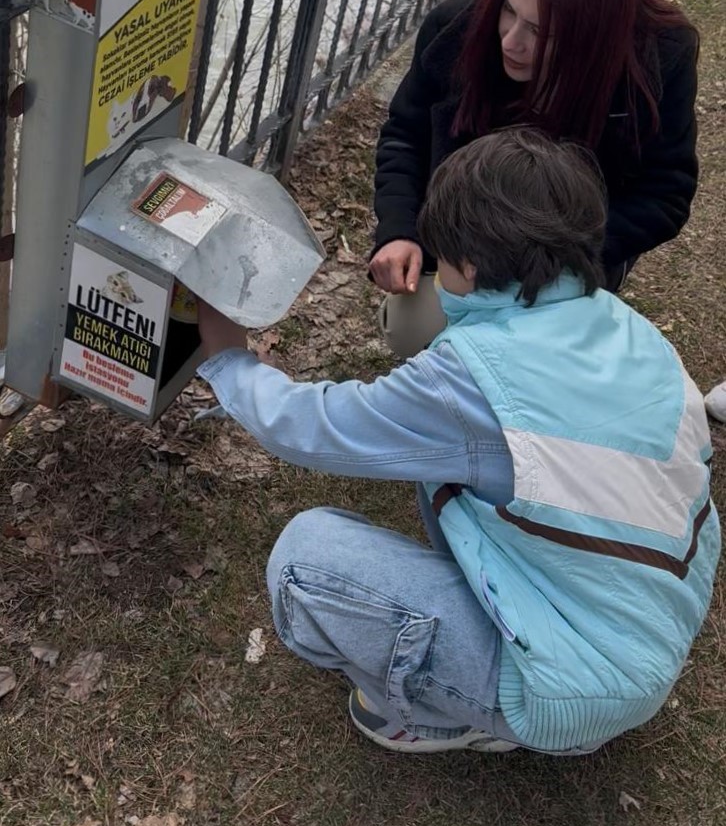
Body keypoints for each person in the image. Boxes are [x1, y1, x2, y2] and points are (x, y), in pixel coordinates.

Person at [196, 127, 719, 756]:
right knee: (452, 470)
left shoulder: (474, 383)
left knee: (303, 560)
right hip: (646, 633)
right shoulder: (628, 328)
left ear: (467, 265)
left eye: (443, 257)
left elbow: (316, 425)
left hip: (568, 684)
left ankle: (437, 713)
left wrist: (227, 360)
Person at [370, 0, 700, 357]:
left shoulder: (660, 58)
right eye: (509, 9)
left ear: (597, 34)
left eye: (542, 31)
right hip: (460, 248)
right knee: (410, 330)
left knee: (533, 358)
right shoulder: (458, 27)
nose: (510, 41)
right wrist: (399, 229)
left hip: (566, 259)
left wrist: (553, 262)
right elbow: (405, 135)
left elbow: (665, 193)